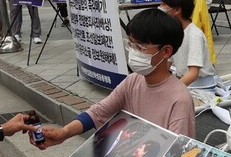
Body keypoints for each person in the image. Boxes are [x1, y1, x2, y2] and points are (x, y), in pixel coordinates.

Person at [31, 8, 196, 146]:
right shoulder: (133, 81)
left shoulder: (179, 99)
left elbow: (177, 151)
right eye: (131, 44)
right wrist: (64, 133)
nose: (133, 51)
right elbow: (98, 112)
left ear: (166, 51)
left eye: (140, 46)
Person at [159, 0, 216, 88]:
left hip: (200, 89)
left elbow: (193, 73)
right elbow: (167, 62)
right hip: (185, 84)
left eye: (164, 4)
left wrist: (172, 91)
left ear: (177, 10)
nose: (160, 7)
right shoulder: (173, 33)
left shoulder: (194, 35)